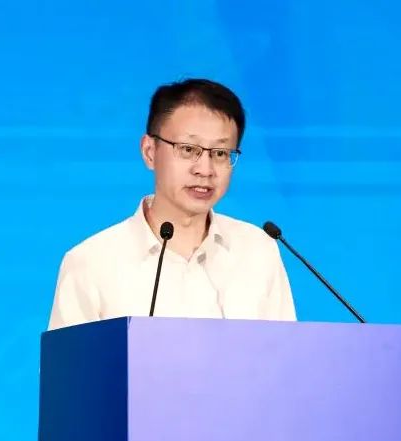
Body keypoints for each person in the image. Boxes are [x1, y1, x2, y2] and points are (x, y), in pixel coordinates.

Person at [47, 78, 296, 330]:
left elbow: (286, 352)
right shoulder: (91, 263)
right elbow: (70, 358)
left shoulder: (258, 251)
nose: (205, 169)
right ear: (149, 151)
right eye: (188, 149)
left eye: (220, 153)